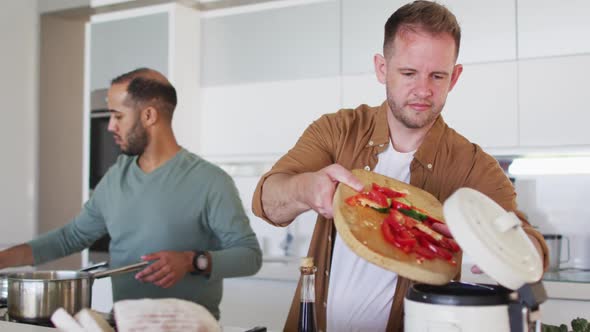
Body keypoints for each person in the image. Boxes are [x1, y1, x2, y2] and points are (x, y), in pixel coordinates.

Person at [252, 1, 548, 331]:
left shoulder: (473, 165)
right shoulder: (337, 130)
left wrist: (487, 239)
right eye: (408, 73)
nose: (423, 90)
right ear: (382, 68)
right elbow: (266, 202)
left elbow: (531, 253)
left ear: (455, 77)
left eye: (438, 75)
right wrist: (306, 189)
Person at [0, 68, 262, 319]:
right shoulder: (117, 177)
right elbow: (72, 236)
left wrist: (192, 261)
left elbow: (249, 256)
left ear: (148, 116)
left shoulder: (210, 181)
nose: (110, 126)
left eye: (118, 116)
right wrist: (3, 259)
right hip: (125, 324)